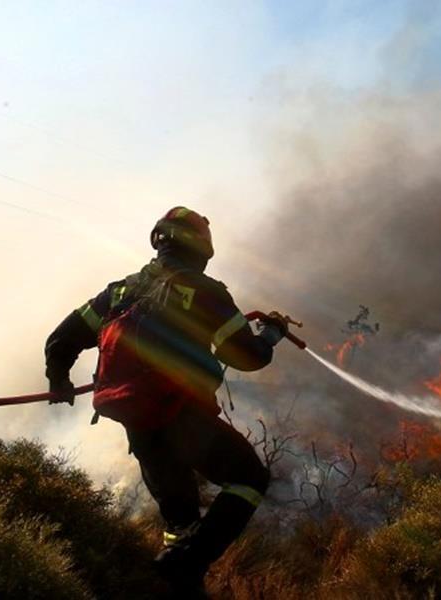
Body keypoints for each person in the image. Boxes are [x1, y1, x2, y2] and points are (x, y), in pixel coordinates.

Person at [44, 206, 288, 597]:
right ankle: (189, 562)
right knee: (249, 479)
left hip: (137, 422)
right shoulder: (207, 293)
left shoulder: (121, 290)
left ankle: (183, 575)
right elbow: (247, 357)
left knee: (180, 523)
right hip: (183, 418)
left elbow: (61, 339)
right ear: (203, 250)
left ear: (159, 240)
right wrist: (270, 335)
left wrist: (59, 380)